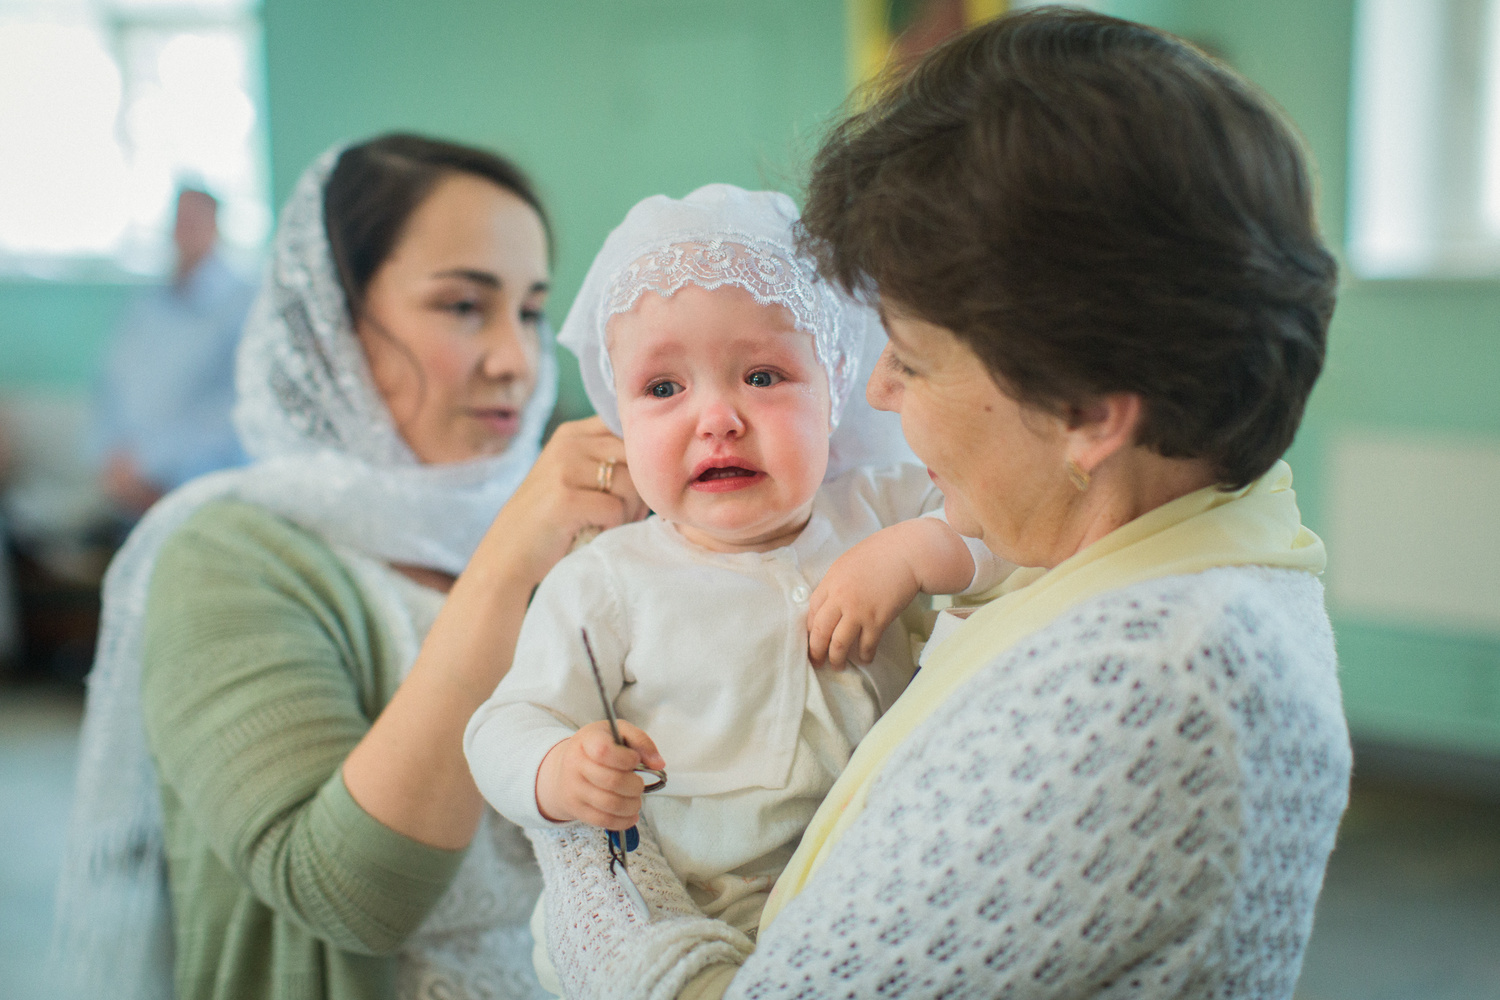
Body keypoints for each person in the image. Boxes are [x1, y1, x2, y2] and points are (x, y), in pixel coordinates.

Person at [523, 10, 1352, 999]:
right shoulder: (1181, 547)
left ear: (1085, 410)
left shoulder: (1144, 682)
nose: (877, 395)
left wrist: (588, 842)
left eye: (909, 360)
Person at [54, 133, 647, 1000]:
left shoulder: (581, 539)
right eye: (461, 306)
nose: (516, 361)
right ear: (332, 322)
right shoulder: (229, 554)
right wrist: (508, 561)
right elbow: (348, 896)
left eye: (528, 311)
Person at [463, 185, 1008, 979]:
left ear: (835, 389)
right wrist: (556, 771)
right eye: (663, 389)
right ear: (619, 415)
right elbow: (502, 724)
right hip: (700, 903)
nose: (716, 417)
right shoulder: (608, 580)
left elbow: (1014, 537)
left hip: (882, 887)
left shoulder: (883, 506)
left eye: (762, 375)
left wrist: (917, 553)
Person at [91, 187, 255, 517]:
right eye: (179, 221)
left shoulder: (244, 306)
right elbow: (108, 387)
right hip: (128, 493)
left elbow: (235, 407)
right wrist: (113, 463)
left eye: (196, 221)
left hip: (201, 496)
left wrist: (151, 462)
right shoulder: (145, 308)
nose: (185, 230)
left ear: (216, 229)